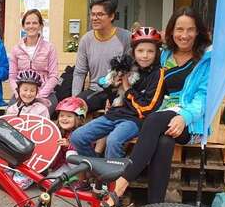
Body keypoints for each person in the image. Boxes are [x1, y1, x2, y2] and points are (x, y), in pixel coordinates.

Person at [112, 7, 213, 207]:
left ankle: (119, 185)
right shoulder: (163, 55)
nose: (184, 35)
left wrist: (184, 117)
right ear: (171, 31)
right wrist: (120, 80)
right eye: (179, 29)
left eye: (190, 30)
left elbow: (203, 97)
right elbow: (140, 67)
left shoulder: (206, 60)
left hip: (187, 122)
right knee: (163, 141)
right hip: (158, 119)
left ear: (198, 32)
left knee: (156, 121)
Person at [70, 27, 165, 161]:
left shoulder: (158, 74)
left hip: (135, 120)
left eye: (150, 51)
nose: (145, 55)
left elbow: (147, 108)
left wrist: (127, 88)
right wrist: (112, 86)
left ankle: (113, 180)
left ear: (157, 53)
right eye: (140, 51)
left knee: (114, 141)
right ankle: (97, 171)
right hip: (113, 114)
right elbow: (112, 97)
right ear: (133, 52)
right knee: (77, 137)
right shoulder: (126, 68)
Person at [71, 0, 132, 113]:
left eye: (100, 14)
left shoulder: (126, 37)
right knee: (75, 109)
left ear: (112, 16)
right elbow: (79, 72)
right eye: (93, 14)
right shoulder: (86, 40)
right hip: (95, 91)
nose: (95, 18)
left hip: (119, 90)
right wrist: (74, 99)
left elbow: (130, 71)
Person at [8, 9, 59, 112]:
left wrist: (39, 95)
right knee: (12, 113)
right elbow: (12, 76)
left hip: (45, 94)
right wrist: (19, 93)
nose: (31, 26)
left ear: (40, 26)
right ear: (23, 26)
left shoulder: (49, 48)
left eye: (35, 23)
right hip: (22, 93)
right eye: (28, 23)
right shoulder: (16, 49)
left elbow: (53, 76)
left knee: (40, 114)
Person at [47, 96, 88, 179]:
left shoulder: (83, 132)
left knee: (70, 154)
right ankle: (71, 179)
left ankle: (81, 180)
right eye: (62, 115)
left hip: (83, 167)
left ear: (78, 118)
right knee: (49, 183)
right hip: (64, 165)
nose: (64, 119)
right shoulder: (57, 131)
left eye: (69, 116)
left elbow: (87, 150)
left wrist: (69, 145)